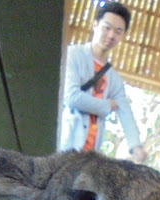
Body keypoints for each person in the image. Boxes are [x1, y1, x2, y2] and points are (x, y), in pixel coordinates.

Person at [60, 2, 147, 163]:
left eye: (118, 31)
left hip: (89, 157)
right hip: (64, 146)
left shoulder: (113, 78)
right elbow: (71, 97)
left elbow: (124, 110)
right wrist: (107, 106)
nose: (111, 35)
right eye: (107, 27)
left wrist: (136, 146)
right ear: (95, 25)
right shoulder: (73, 55)